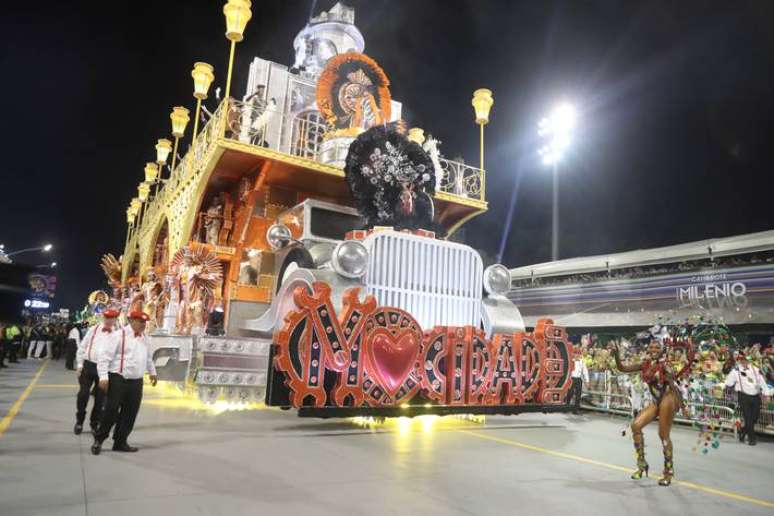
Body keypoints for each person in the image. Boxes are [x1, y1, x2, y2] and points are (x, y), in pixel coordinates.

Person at [613, 338, 694, 486]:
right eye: (652, 347)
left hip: (668, 399)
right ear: (649, 349)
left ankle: (668, 472)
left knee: (663, 435)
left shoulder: (665, 366)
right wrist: (616, 355)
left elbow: (674, 386)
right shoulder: (645, 364)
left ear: (662, 349)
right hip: (656, 401)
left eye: (657, 347)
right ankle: (642, 464)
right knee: (635, 426)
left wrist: (683, 407)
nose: (654, 349)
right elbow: (622, 368)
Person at [91, 311, 158, 454]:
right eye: (140, 322)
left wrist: (153, 373)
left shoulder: (145, 338)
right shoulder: (117, 336)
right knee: (111, 410)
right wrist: (103, 376)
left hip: (136, 381)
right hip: (118, 378)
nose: (143, 325)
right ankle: (99, 439)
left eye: (144, 322)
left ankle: (120, 442)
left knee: (130, 413)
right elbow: (104, 357)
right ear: (132, 320)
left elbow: (148, 358)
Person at [74, 310, 120, 435]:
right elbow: (83, 347)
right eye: (107, 318)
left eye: (112, 318)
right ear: (103, 317)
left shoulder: (117, 334)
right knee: (83, 394)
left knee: (100, 400)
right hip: (88, 366)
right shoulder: (93, 330)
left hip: (104, 370)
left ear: (115, 319)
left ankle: (94, 423)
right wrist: (79, 364)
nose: (109, 320)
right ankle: (79, 420)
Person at [725, 353, 771, 446]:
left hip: (755, 396)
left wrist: (766, 394)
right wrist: (727, 385)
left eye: (747, 360)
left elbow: (762, 382)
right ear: (740, 360)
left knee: (755, 418)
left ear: (749, 360)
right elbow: (729, 382)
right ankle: (751, 438)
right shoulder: (736, 371)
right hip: (743, 396)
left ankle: (743, 431)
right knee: (748, 418)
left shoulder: (755, 369)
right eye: (743, 360)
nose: (745, 361)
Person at [567, 348, 589, 414]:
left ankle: (575, 410)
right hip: (571, 379)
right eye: (576, 353)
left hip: (579, 379)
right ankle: (566, 406)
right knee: (570, 393)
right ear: (573, 354)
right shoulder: (571, 361)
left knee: (578, 395)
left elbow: (585, 371)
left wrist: (587, 381)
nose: (577, 355)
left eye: (578, 353)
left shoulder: (582, 361)